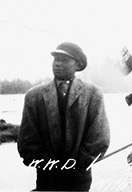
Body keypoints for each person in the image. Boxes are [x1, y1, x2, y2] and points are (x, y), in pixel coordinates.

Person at [18, 42, 110, 191]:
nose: (58, 64)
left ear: (78, 65)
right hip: (46, 177)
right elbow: (27, 142)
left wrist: (78, 165)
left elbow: (99, 139)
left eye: (64, 60)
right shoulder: (33, 96)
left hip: (79, 178)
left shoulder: (93, 94)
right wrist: (48, 164)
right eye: (56, 59)